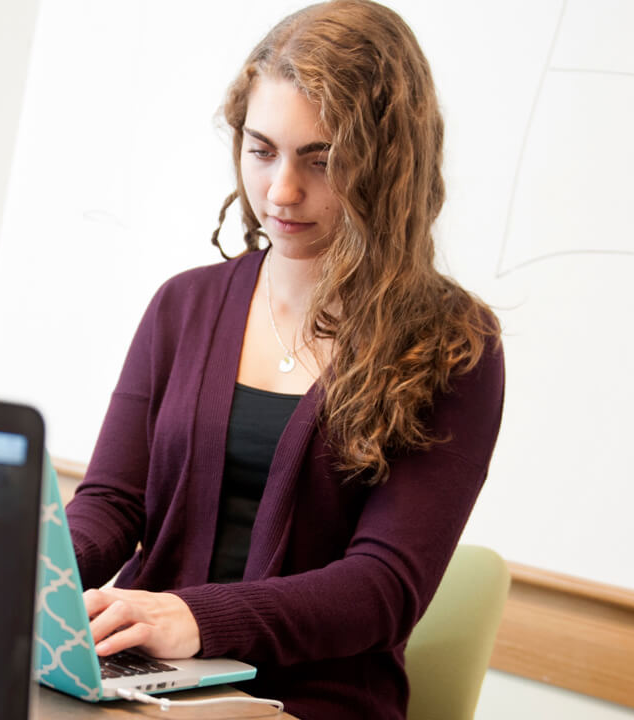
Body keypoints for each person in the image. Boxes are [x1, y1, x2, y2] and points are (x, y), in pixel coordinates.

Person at [63, 1, 505, 718]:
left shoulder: (453, 346)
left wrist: (197, 618)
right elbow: (113, 503)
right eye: (261, 149)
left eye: (321, 160)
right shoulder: (184, 305)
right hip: (139, 683)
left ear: (389, 164)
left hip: (314, 701)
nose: (281, 191)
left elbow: (383, 587)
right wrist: (38, 577)